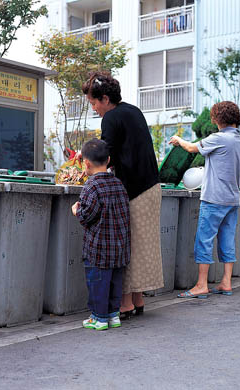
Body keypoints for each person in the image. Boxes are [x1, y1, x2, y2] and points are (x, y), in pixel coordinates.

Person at [82, 71, 163, 319]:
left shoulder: (111, 118)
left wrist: (86, 164)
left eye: (94, 103)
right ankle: (137, 300)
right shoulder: (133, 110)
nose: (94, 109)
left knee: (125, 246)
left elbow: (106, 156)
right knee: (141, 244)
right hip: (151, 185)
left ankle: (125, 303)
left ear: (105, 99)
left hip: (135, 189)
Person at [169, 101, 240, 298]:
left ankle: (201, 285)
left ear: (217, 119)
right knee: (227, 240)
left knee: (204, 240)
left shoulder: (219, 138)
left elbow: (192, 148)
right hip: (232, 199)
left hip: (214, 198)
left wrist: (178, 139)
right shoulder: (239, 141)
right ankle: (226, 282)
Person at [71, 138, 131, 330]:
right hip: (120, 248)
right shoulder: (119, 184)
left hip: (98, 249)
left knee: (98, 284)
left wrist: (76, 211)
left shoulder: (91, 186)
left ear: (86, 163)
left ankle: (99, 318)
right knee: (115, 283)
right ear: (109, 159)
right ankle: (114, 315)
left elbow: (87, 215)